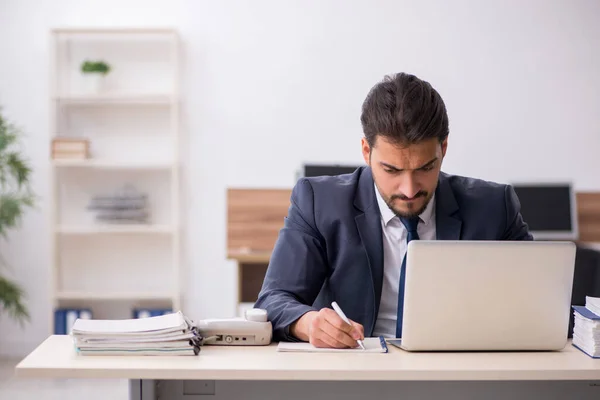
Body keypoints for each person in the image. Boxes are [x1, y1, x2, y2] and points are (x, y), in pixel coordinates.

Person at [254, 72, 533, 349]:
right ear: (366, 151)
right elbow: (274, 300)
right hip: (355, 373)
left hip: (459, 372)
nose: (409, 190)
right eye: (392, 170)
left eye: (425, 168)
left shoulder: (496, 207)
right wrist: (308, 322)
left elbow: (541, 302)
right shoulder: (318, 202)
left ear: (443, 149)